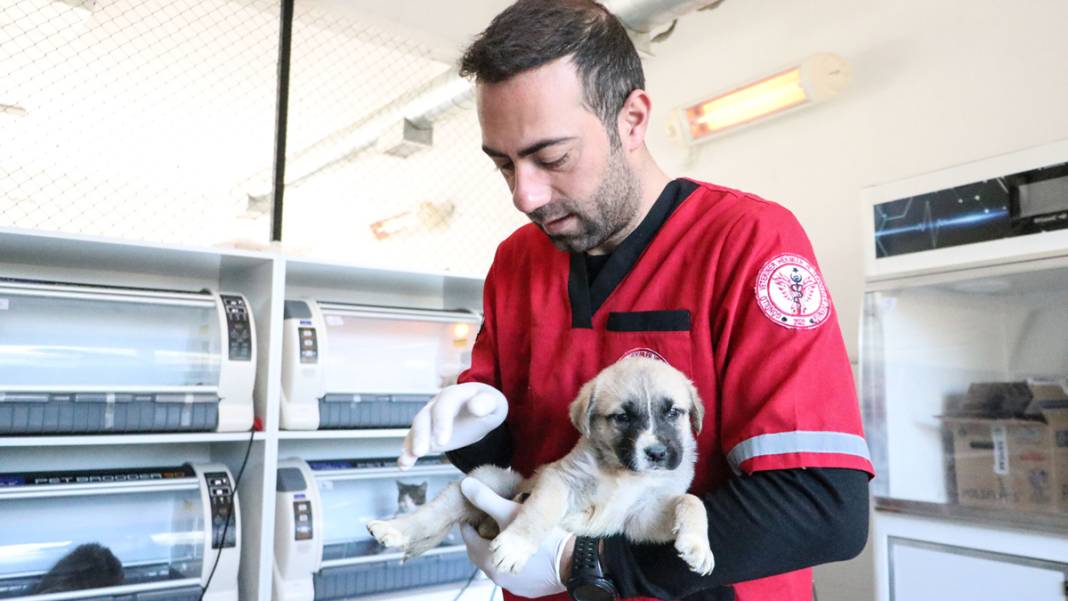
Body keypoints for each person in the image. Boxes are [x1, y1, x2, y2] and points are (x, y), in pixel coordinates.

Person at [398, 1, 874, 600]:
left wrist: (587, 563)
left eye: (552, 158)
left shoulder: (748, 242)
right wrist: (474, 434)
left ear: (632, 119)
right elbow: (521, 464)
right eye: (504, 165)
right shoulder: (517, 262)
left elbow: (822, 506)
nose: (525, 195)